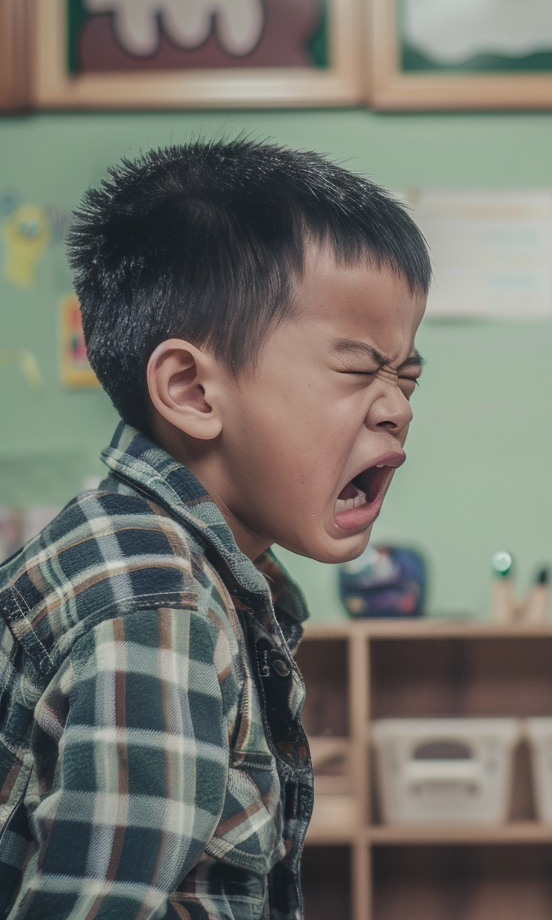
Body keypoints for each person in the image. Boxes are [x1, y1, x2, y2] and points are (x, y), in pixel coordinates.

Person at [0, 139, 430, 919]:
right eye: (359, 368)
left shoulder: (166, 562)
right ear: (193, 391)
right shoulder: (155, 612)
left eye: (406, 375)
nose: (397, 404)